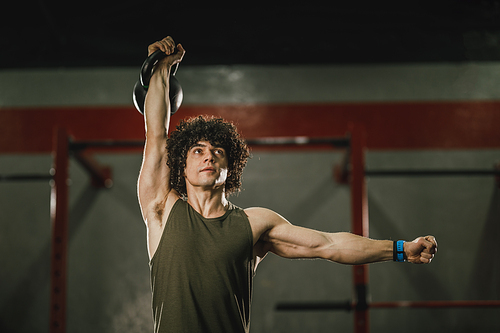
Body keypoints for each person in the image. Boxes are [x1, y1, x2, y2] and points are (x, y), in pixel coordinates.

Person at [137, 36, 438, 333]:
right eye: (198, 151)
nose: (209, 157)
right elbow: (156, 137)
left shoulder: (254, 224)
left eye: (218, 152)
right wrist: (162, 69)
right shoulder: (162, 209)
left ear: (230, 168)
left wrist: (400, 249)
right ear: (182, 164)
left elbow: (329, 245)